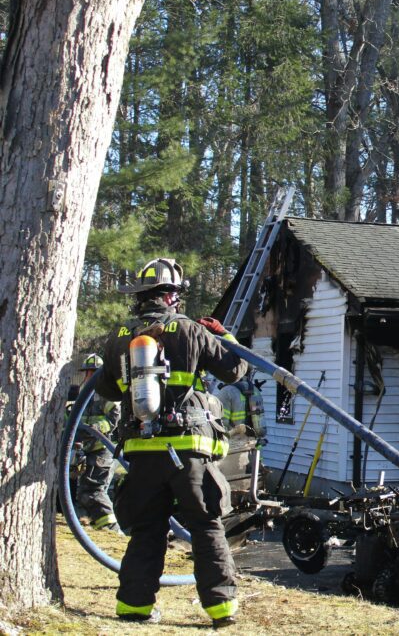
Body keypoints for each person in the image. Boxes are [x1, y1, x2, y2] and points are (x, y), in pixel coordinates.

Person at [96, 258, 247, 627]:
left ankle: (134, 607)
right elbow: (234, 369)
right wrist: (224, 336)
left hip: (142, 454)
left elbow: (105, 389)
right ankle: (221, 609)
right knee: (206, 526)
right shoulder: (191, 330)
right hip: (189, 451)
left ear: (142, 297)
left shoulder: (121, 336)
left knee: (146, 530)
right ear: (173, 297)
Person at [73, 354, 123, 533]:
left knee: (94, 491)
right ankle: (95, 524)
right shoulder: (84, 394)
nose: (89, 376)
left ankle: (112, 529)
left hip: (103, 449)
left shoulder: (107, 393)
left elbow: (114, 419)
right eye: (88, 373)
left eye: (93, 372)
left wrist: (92, 428)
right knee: (83, 492)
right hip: (88, 449)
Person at [214, 375, 266, 441]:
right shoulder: (255, 390)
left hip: (234, 444)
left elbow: (221, 423)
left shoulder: (226, 392)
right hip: (253, 442)